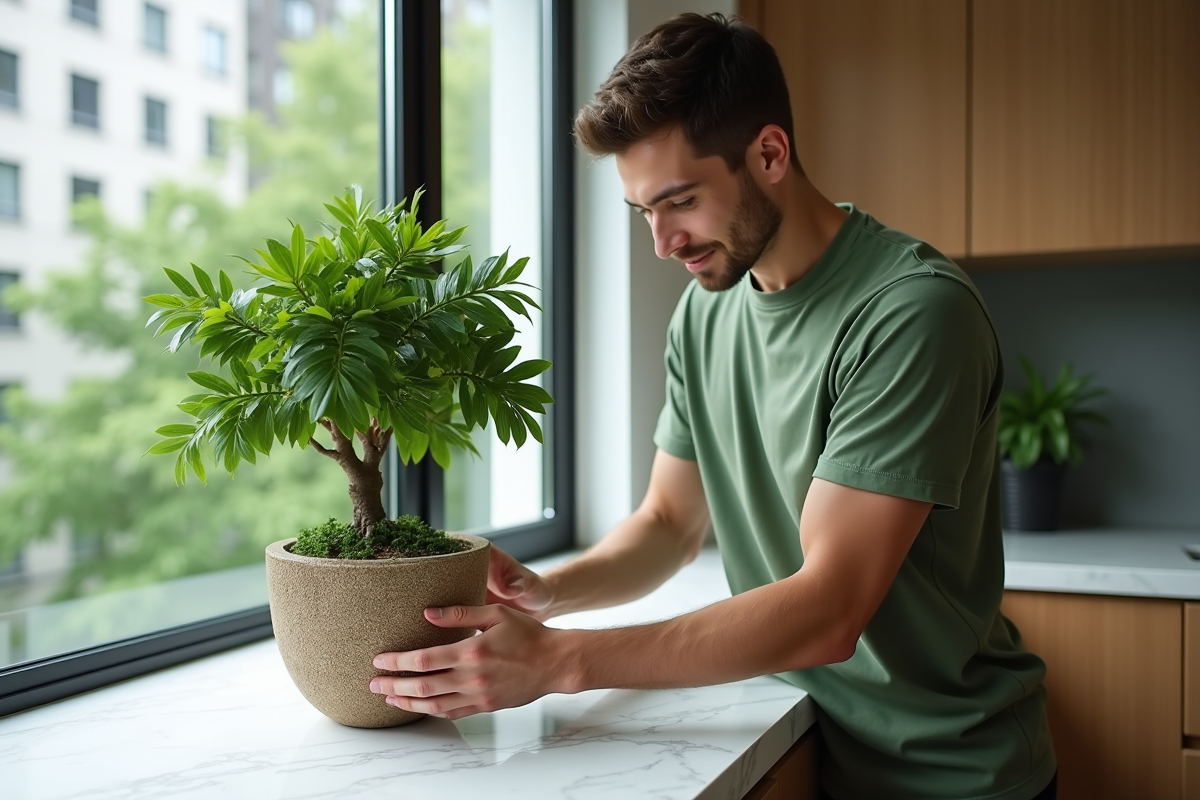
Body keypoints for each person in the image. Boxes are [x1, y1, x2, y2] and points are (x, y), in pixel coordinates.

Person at [369, 12, 1057, 800]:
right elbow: (668, 523)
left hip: (954, 773)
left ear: (769, 154)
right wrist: (549, 590)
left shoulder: (910, 314)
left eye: (680, 202)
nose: (662, 242)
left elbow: (829, 609)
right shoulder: (706, 314)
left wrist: (561, 659)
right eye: (643, 214)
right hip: (825, 743)